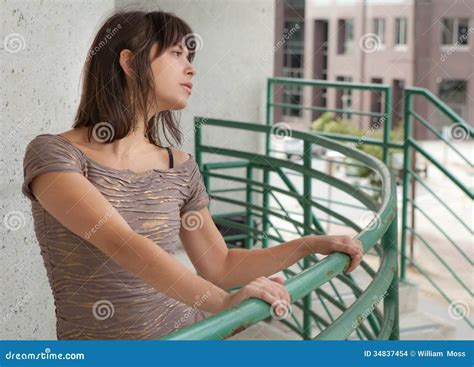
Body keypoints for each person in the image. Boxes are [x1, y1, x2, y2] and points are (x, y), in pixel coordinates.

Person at [21, 9, 363, 340]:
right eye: (176, 54)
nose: (191, 69)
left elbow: (220, 265)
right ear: (128, 62)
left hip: (193, 339)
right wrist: (223, 302)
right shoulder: (55, 155)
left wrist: (307, 245)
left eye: (190, 57)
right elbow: (119, 241)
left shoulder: (180, 167)